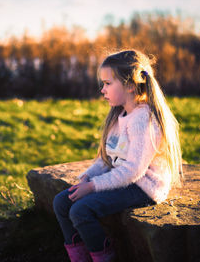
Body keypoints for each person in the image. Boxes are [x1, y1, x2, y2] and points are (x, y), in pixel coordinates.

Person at [53, 49, 183, 262]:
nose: (102, 89)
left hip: (143, 187)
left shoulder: (143, 120)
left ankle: (104, 257)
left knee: (81, 210)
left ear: (130, 85)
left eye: (107, 83)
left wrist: (93, 186)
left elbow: (133, 171)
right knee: (61, 202)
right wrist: (87, 178)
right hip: (124, 179)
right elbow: (107, 159)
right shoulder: (119, 114)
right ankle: (80, 257)